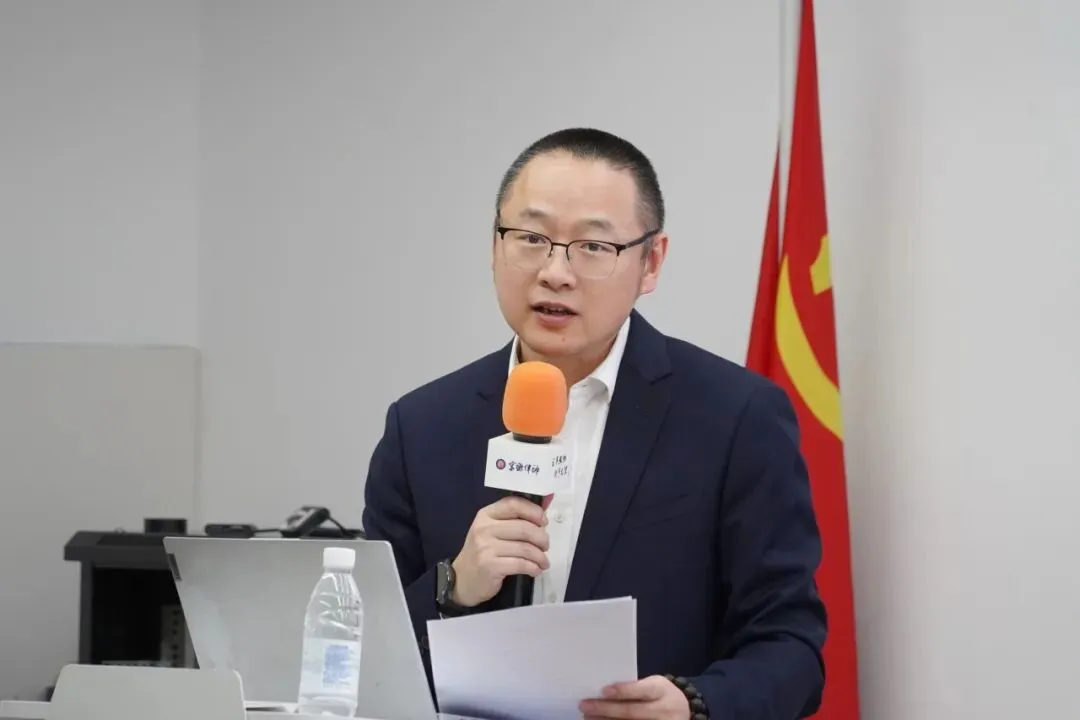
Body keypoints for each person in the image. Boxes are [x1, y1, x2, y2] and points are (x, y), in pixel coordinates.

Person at [362, 128, 827, 720]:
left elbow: (790, 647)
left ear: (650, 262)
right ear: (495, 245)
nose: (555, 272)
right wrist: (453, 586)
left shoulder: (736, 416)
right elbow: (366, 651)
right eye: (531, 238)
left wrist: (694, 704)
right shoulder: (422, 426)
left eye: (593, 246)